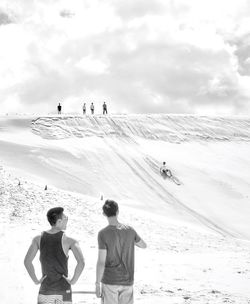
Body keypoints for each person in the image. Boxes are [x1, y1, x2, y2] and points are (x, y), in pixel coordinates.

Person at [24, 207, 85, 304]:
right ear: (59, 221)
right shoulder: (70, 241)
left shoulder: (38, 239)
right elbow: (81, 262)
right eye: (66, 218)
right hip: (63, 289)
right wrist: (73, 281)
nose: (67, 221)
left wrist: (36, 280)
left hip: (45, 289)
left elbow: (27, 262)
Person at [96, 199, 147, 304]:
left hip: (110, 280)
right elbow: (143, 245)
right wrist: (130, 241)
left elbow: (101, 261)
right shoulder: (130, 230)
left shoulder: (103, 233)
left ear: (104, 214)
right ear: (118, 211)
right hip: (127, 280)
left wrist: (97, 283)